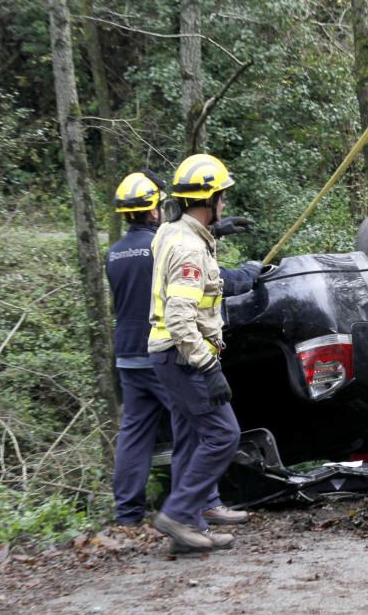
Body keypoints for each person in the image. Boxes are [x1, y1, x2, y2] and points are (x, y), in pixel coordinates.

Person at [106, 170, 252, 528]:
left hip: (128, 353)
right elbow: (197, 280)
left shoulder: (116, 253)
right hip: (171, 346)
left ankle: (128, 515)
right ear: (154, 210)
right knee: (198, 427)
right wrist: (248, 274)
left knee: (134, 434)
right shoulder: (173, 246)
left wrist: (213, 231)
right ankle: (198, 506)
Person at [148, 153, 261, 552]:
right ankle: (178, 514)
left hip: (167, 356)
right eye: (222, 199)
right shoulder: (190, 252)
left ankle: (188, 528)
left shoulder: (173, 232)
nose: (224, 205)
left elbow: (178, 243)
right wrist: (208, 366)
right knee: (222, 435)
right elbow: (181, 320)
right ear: (210, 201)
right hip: (184, 356)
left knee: (191, 439)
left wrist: (216, 233)